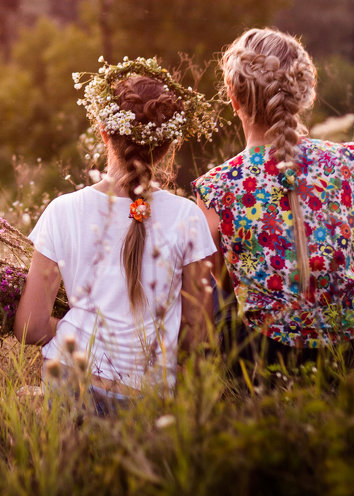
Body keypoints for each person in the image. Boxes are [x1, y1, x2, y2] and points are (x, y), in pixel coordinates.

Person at [14, 57, 220, 410]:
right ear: (170, 145)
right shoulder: (189, 217)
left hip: (68, 381)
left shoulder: (62, 210)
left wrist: (75, 326)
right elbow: (199, 332)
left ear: (103, 131)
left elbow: (29, 328)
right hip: (146, 399)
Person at [193, 28, 354, 371]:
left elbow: (222, 283)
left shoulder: (217, 188)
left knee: (215, 302)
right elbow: (352, 251)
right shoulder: (346, 164)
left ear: (233, 96)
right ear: (303, 94)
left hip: (264, 355)